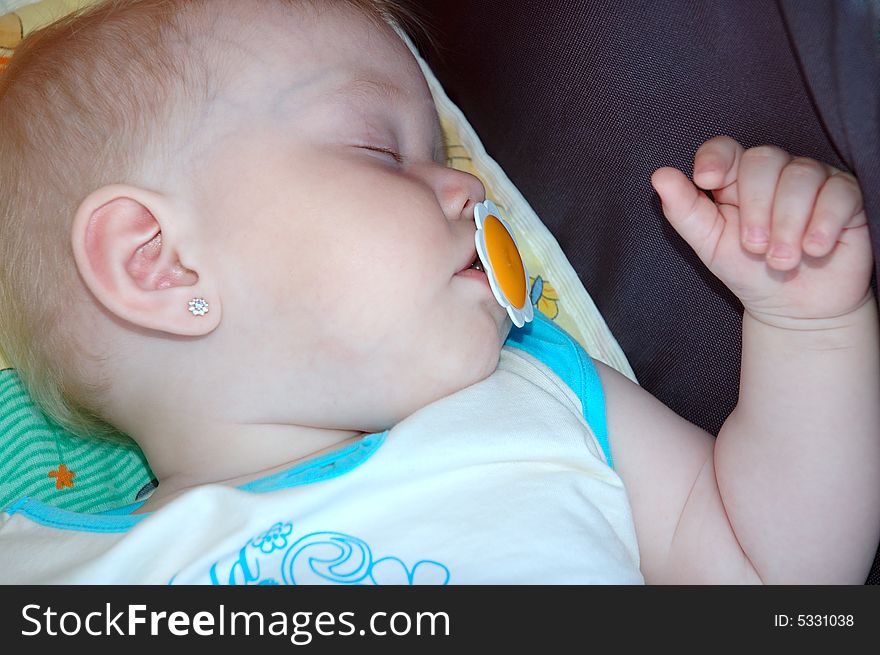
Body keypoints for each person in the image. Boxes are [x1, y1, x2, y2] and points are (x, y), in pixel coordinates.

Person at [0, 0, 876, 584]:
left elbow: (777, 577)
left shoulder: (540, 395)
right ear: (159, 261)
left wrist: (808, 321)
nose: (470, 194)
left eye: (450, 160)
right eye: (382, 153)